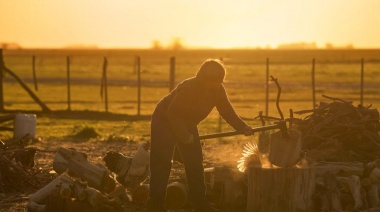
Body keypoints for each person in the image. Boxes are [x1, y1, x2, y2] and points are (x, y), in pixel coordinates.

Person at [148, 59, 252, 212]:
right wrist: (185, 136)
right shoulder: (189, 89)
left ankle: (201, 205)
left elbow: (227, 111)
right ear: (204, 79)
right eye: (215, 81)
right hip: (164, 120)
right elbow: (173, 114)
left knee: (195, 164)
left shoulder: (218, 90)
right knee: (162, 163)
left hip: (187, 122)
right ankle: (155, 206)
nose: (218, 84)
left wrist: (242, 127)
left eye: (220, 81)